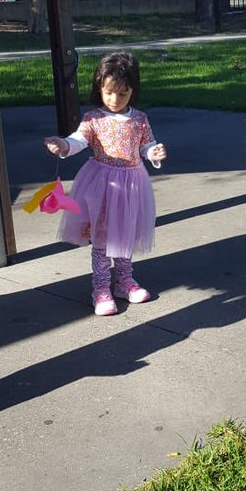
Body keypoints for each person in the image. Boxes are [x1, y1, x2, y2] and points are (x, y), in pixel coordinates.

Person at [45, 51, 167, 317]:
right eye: (109, 92)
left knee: (124, 235)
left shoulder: (139, 119)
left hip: (132, 185)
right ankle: (100, 288)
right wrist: (64, 145)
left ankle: (124, 282)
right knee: (101, 238)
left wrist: (153, 153)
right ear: (99, 87)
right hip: (102, 186)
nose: (114, 99)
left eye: (122, 93)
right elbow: (79, 140)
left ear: (133, 91)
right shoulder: (93, 119)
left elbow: (146, 145)